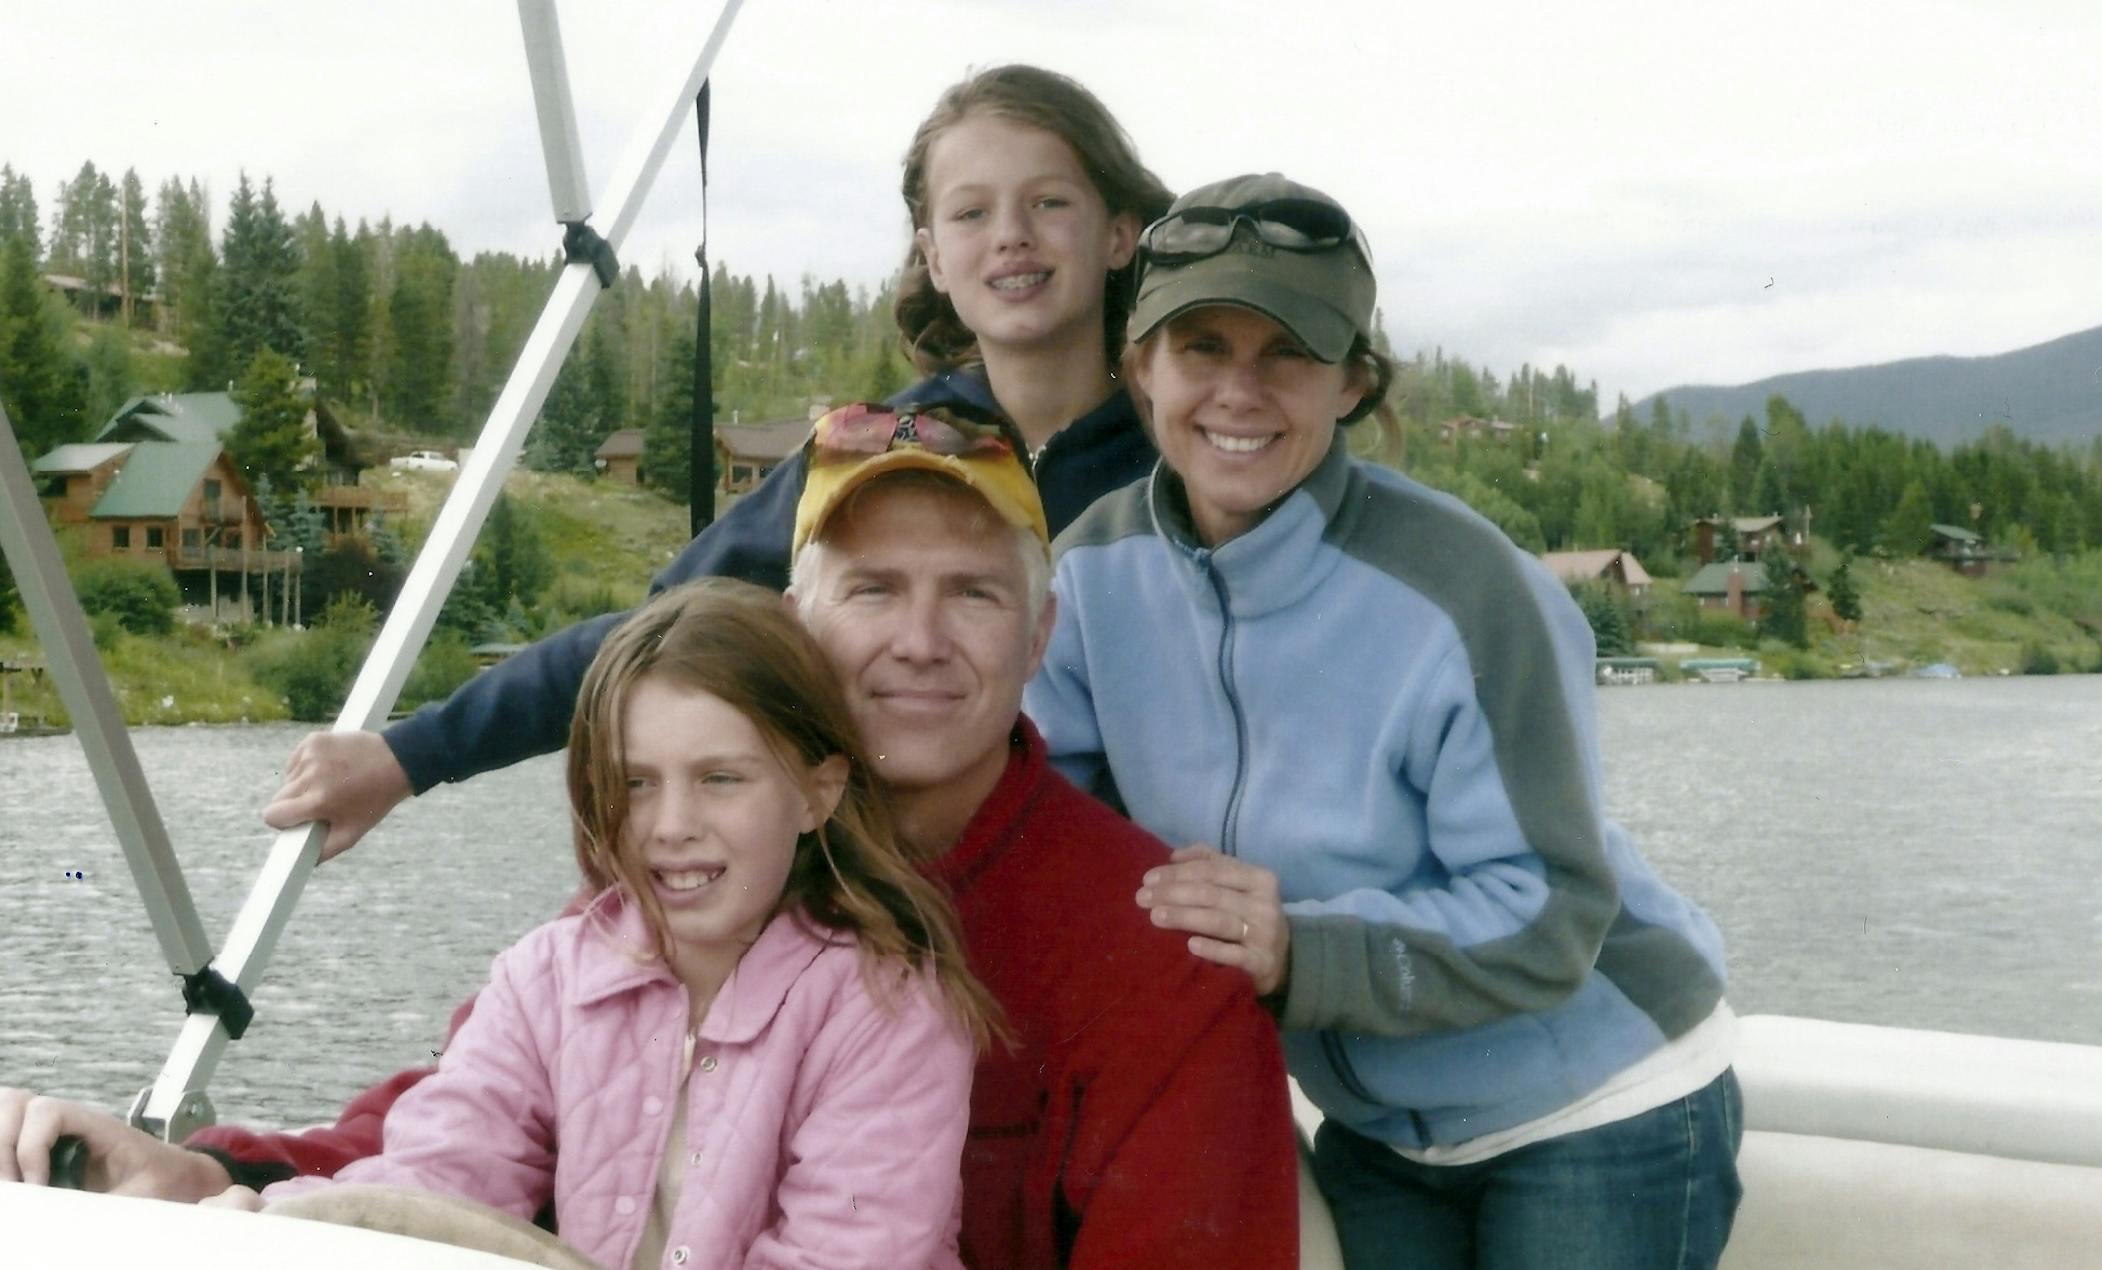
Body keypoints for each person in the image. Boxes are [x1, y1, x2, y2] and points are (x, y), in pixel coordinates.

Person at [2, 404, 1303, 1269]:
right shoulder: (649, 915)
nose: (917, 638)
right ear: (795, 617)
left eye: (971, 592)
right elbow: (451, 1149)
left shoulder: (1156, 952)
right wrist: (205, 1179)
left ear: (1042, 634)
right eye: (871, 588)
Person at [1024, 174, 1744, 1269]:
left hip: (1597, 1104)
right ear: (1139, 368)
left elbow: (1549, 911)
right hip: (1376, 1129)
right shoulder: (1086, 579)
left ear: (1354, 381)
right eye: (1202, 347)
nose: (1239, 391)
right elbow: (1048, 824)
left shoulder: (1469, 593)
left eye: (1289, 355)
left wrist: (1296, 949)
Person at [262, 63, 1172, 864]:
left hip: (1100, 897)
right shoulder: (874, 456)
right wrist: (411, 756)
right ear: (933, 256)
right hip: (884, 890)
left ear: (1121, 233)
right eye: (972, 211)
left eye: (1049, 201)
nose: (1011, 234)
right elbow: (664, 640)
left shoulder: (1185, 462)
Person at [229, 579, 990, 1269]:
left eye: (721, 779)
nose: (673, 825)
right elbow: (433, 1182)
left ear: (817, 795)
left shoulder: (888, 1008)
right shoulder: (543, 981)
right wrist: (270, 1226)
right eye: (636, 783)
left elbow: (846, 1257)